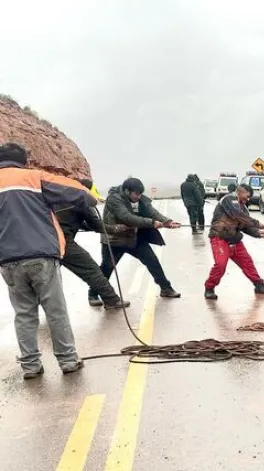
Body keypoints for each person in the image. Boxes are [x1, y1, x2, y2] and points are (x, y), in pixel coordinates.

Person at [0, 142, 92, 378]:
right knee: (55, 310)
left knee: (24, 314)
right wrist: (89, 199)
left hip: (8, 260)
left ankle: (30, 366)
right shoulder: (33, 177)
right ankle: (68, 360)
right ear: (23, 161)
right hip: (40, 255)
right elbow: (77, 190)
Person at [98, 177, 182, 299]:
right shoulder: (114, 199)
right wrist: (152, 223)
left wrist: (167, 222)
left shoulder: (140, 199)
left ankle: (166, 288)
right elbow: (126, 217)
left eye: (140, 194)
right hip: (114, 240)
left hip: (134, 237)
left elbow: (152, 212)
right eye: (136, 194)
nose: (139, 197)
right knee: (107, 268)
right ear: (127, 191)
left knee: (152, 261)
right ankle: (93, 294)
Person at [50, 194, 131, 310]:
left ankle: (32, 310)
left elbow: (73, 220)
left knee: (45, 279)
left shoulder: (58, 193)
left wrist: (86, 226)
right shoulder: (81, 198)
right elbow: (96, 225)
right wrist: (114, 228)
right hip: (62, 242)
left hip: (44, 241)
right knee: (92, 270)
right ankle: (111, 299)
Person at [204, 184, 264, 299]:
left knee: (247, 263)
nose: (248, 199)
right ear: (240, 191)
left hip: (235, 239)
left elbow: (245, 226)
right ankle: (209, 288)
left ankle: (259, 285)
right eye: (247, 196)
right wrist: (257, 223)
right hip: (220, 238)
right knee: (220, 265)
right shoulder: (228, 199)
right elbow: (237, 214)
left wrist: (258, 233)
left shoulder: (244, 208)